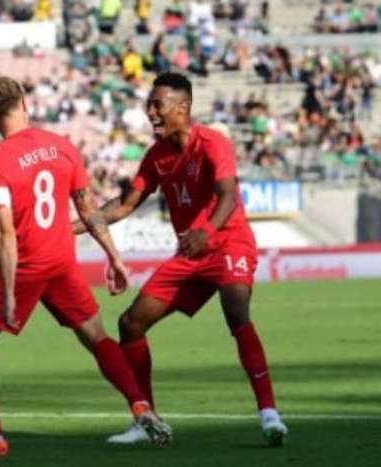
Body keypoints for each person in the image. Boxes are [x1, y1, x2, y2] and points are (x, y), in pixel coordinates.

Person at [0, 76, 173, 457]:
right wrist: (114, 257)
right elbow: (89, 210)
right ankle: (141, 407)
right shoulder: (62, 147)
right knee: (97, 336)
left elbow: (5, 231)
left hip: (25, 264)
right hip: (61, 260)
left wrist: (8, 294)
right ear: (24, 103)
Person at [74, 72, 288, 446]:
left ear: (182, 108)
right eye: (149, 105)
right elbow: (124, 205)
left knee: (236, 311)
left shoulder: (213, 143)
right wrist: (66, 230)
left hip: (228, 243)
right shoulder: (156, 156)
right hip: (190, 253)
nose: (150, 112)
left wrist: (207, 230)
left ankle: (269, 413)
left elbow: (227, 195)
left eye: (157, 105)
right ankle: (147, 420)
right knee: (130, 323)